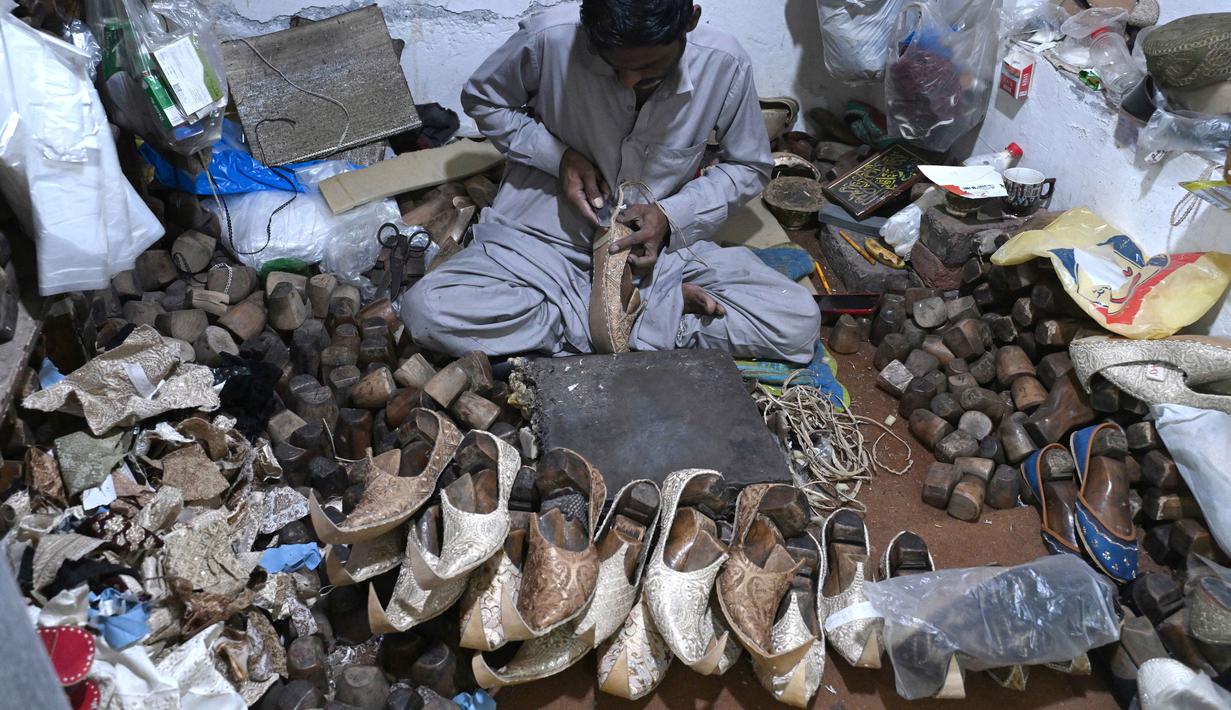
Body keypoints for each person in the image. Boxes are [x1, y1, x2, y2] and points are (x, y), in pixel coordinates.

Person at [401, 0, 821, 363]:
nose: (628, 80)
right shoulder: (551, 37)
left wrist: (670, 215)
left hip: (654, 257)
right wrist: (558, 157)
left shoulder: (724, 64)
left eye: (648, 66)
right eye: (612, 64)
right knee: (427, 310)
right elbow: (483, 99)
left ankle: (613, 316)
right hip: (544, 245)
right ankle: (644, 318)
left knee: (797, 321)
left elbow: (748, 166)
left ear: (690, 22)